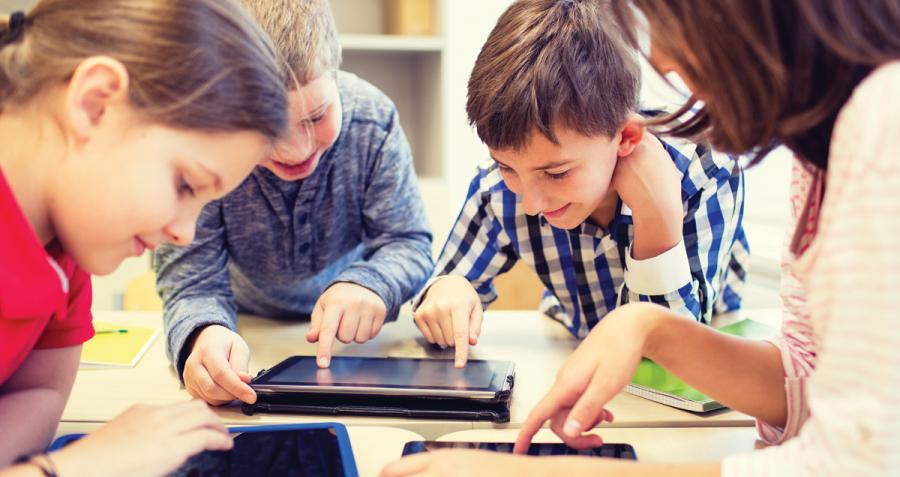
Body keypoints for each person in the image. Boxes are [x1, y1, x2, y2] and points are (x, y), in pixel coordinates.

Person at [381, 0, 900, 475]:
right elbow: (805, 384)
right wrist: (646, 326)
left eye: (672, 21)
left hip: (684, 401)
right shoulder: (819, 158)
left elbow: (859, 459)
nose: (661, 60)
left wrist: (540, 472)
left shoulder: (878, 125)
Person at [0, 1, 288, 475]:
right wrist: (75, 467)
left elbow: (39, 391)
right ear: (94, 104)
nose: (184, 232)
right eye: (186, 185)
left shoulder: (67, 247)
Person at [413, 0, 748, 367]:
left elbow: (671, 350)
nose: (532, 204)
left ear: (627, 137)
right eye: (506, 166)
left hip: (700, 369)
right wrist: (448, 292)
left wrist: (657, 213)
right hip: (574, 347)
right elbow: (442, 287)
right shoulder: (500, 189)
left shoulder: (706, 171)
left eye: (556, 173)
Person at [153, 0, 433, 406]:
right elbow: (192, 281)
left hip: (354, 345)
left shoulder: (374, 121)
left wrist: (373, 282)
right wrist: (202, 335)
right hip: (240, 329)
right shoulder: (205, 141)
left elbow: (408, 241)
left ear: (336, 73)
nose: (297, 148)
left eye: (317, 116)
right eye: (269, 129)